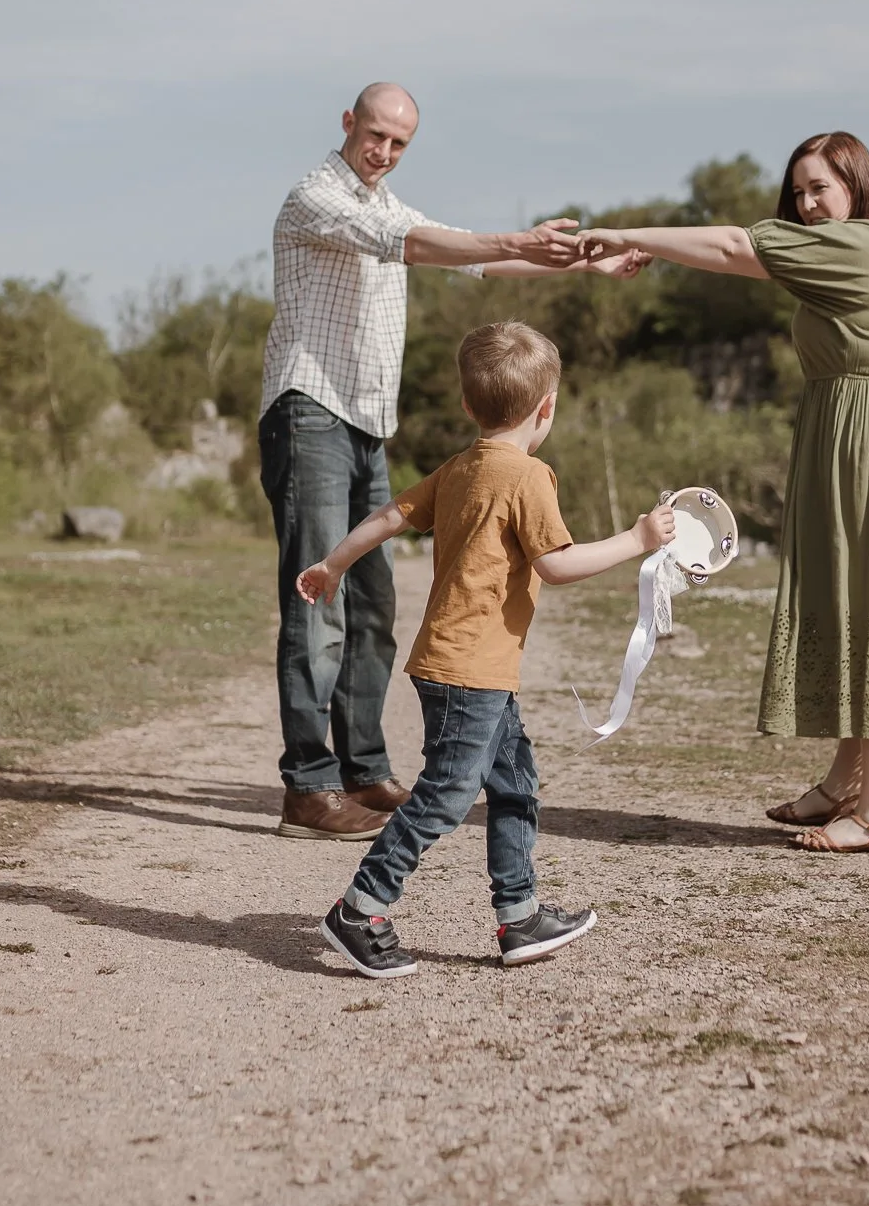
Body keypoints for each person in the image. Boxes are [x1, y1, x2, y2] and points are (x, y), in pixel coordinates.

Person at [578, 132, 869, 853]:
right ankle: (845, 785)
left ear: (856, 182)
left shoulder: (862, 243)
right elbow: (746, 262)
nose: (805, 204)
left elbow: (738, 248)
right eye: (798, 193)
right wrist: (660, 253)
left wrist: (626, 232)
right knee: (859, 598)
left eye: (819, 188)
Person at [258, 82, 643, 841]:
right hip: (310, 410)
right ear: (347, 123)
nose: (385, 152)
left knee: (372, 606)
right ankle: (307, 787)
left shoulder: (385, 203)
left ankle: (363, 772)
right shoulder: (315, 197)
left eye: (400, 143)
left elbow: (474, 262)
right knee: (318, 600)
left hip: (367, 419)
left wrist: (573, 267)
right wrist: (514, 239)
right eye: (375, 136)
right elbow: (425, 248)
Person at [294, 320, 675, 977]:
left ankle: (519, 914)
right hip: (469, 671)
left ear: (468, 405)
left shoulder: (460, 467)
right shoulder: (527, 476)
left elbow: (390, 517)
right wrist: (637, 540)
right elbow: (556, 564)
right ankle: (361, 907)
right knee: (445, 796)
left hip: (463, 665)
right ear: (546, 406)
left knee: (514, 781)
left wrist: (333, 563)